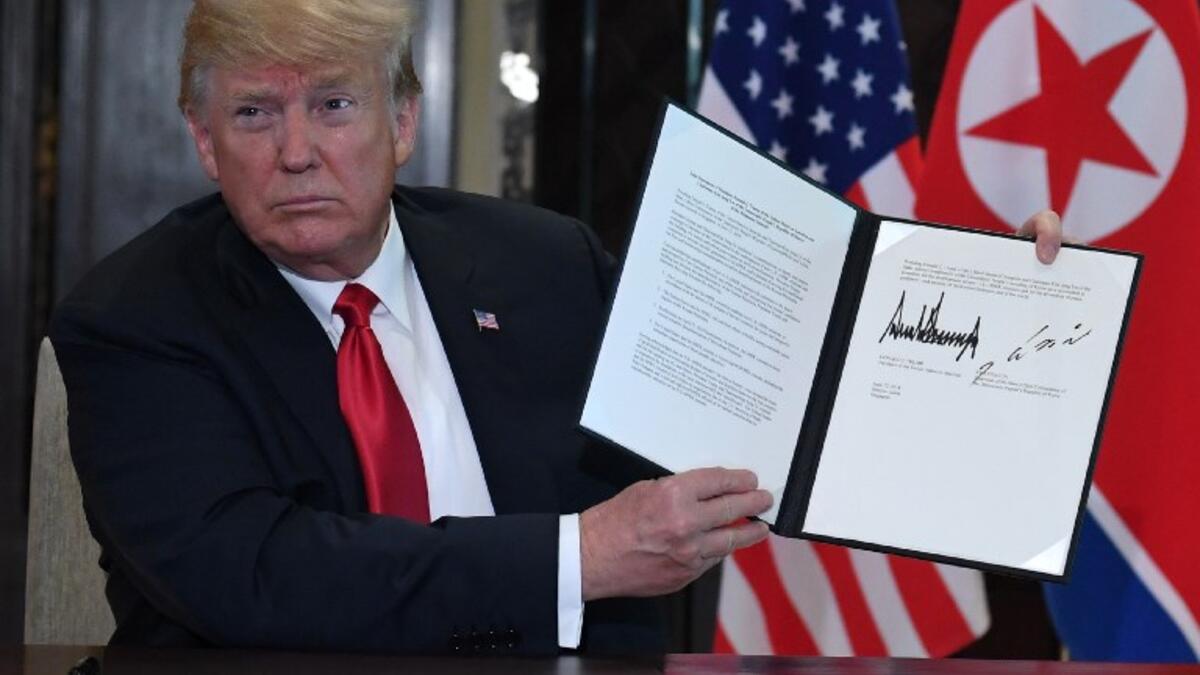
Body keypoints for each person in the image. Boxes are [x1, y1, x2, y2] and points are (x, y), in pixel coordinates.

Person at [48, 0, 1063, 657]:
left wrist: (975, 308)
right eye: (254, 115)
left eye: (336, 103)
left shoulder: (544, 265)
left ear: (402, 122)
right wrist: (581, 556)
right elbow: (258, 575)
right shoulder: (137, 317)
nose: (298, 150)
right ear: (203, 139)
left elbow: (780, 391)